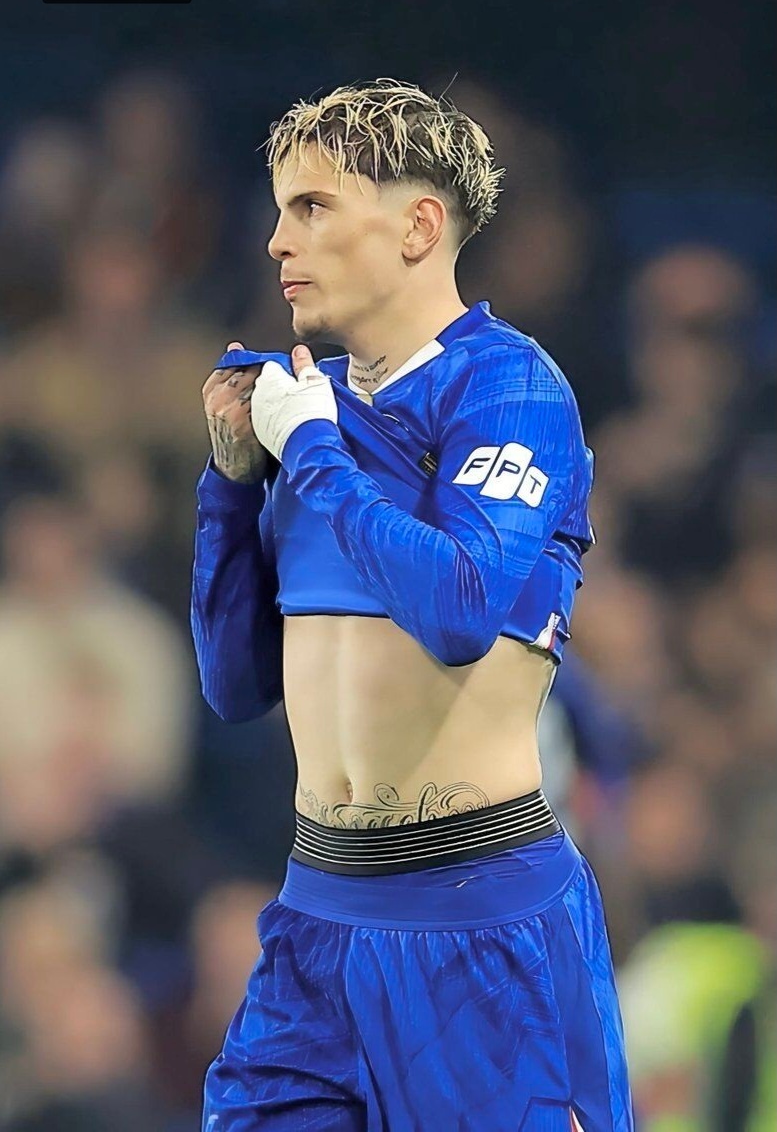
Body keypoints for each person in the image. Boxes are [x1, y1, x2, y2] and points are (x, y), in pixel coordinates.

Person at [192, 80, 633, 1131]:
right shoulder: (306, 403)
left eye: (313, 207)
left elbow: (459, 608)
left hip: (479, 929)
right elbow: (234, 685)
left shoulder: (511, 391)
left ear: (419, 228)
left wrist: (310, 451)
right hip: (314, 923)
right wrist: (230, 486)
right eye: (280, 209)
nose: (276, 241)